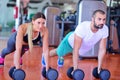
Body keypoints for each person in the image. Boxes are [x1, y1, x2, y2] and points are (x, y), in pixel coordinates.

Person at [50, 9, 108, 74]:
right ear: (93, 19)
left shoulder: (104, 29)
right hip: (70, 42)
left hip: (83, 48)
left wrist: (99, 69)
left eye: (104, 19)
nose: (102, 22)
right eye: (99, 19)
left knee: (69, 53)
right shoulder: (83, 27)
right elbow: (76, 49)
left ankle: (62, 56)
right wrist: (75, 69)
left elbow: (102, 49)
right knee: (59, 52)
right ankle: (46, 55)